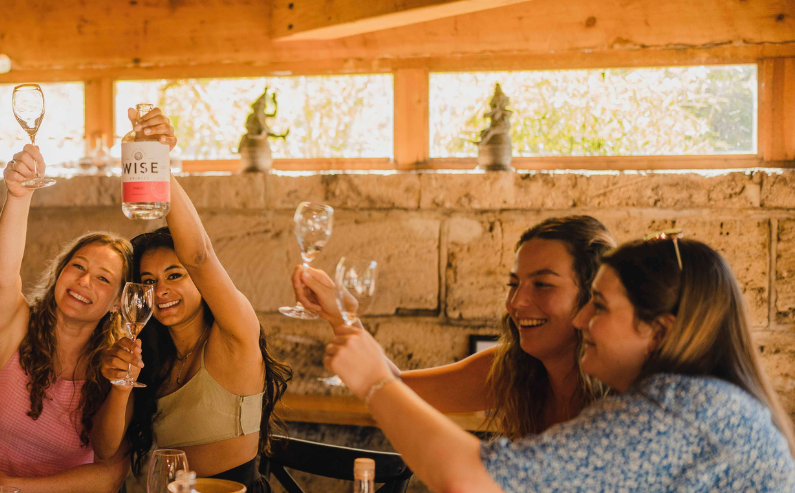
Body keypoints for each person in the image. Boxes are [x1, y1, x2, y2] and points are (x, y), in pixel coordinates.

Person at [318, 234, 795, 492]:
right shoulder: (697, 401)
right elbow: (399, 394)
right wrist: (346, 326)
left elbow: (470, 480)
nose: (584, 319)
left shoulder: (673, 413)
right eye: (514, 283)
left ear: (659, 331)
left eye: (599, 306)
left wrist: (376, 380)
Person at [92, 120, 291, 491]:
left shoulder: (234, 335)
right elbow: (105, 451)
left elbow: (199, 255)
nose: (161, 290)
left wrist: (158, 164)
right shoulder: (151, 356)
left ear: (197, 281)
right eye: (148, 282)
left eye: (174, 275)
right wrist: (120, 387)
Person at [293, 216, 613, 438]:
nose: (516, 302)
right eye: (514, 284)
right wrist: (341, 316)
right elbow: (403, 393)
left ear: (592, 295)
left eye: (542, 285)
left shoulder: (626, 394)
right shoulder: (512, 368)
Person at [0, 143, 140, 493]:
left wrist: (14, 486)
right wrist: (18, 197)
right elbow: (1, 277)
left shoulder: (117, 364)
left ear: (117, 302)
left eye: (103, 279)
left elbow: (109, 474)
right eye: (78, 267)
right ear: (59, 274)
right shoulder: (14, 331)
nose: (84, 282)